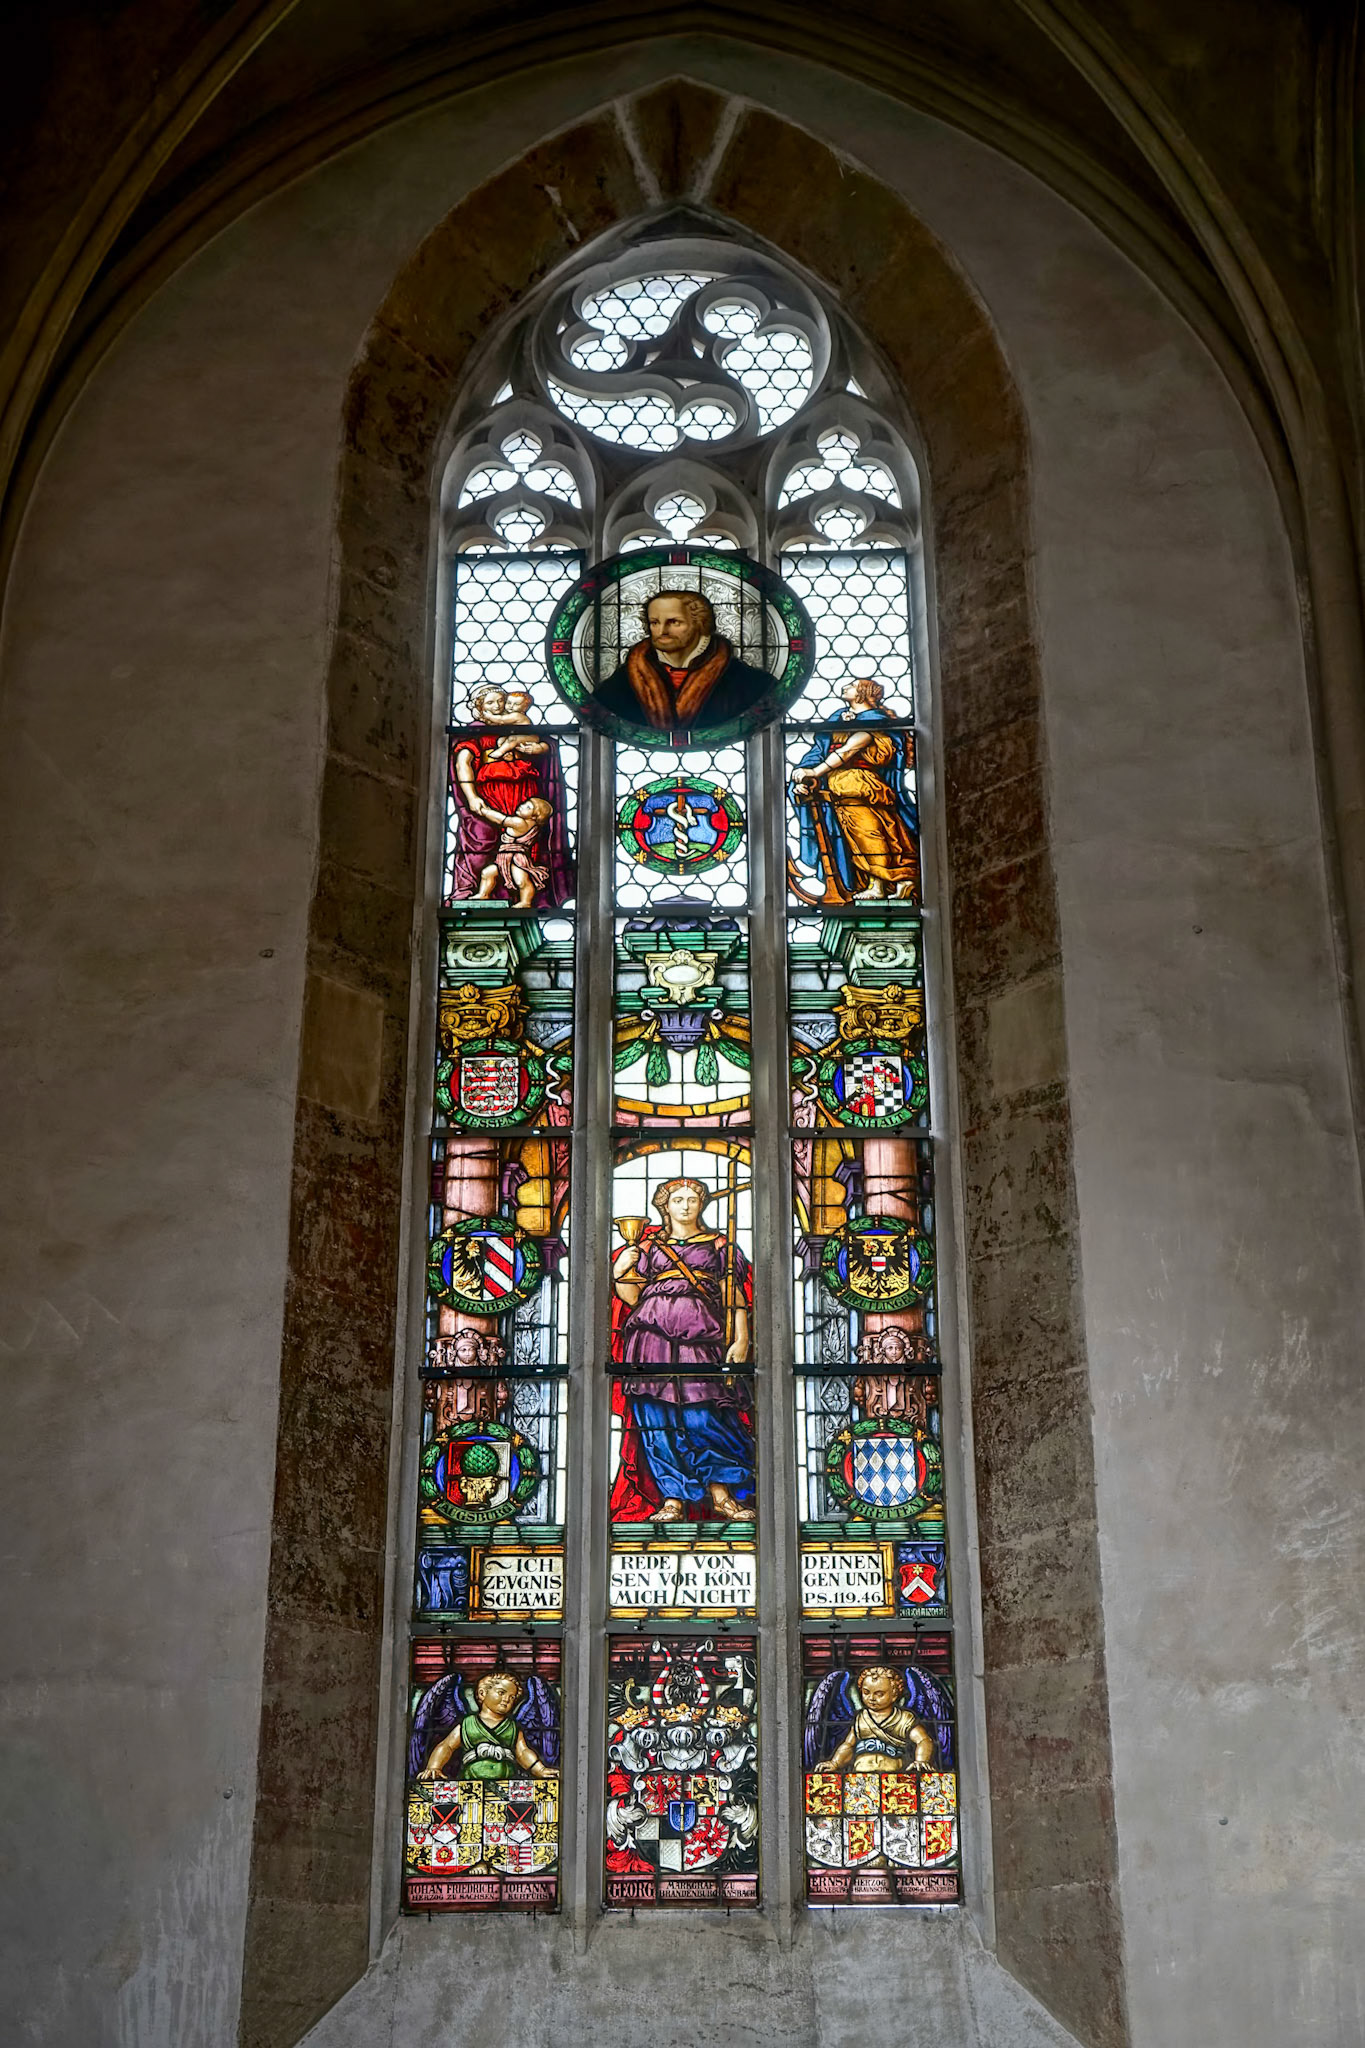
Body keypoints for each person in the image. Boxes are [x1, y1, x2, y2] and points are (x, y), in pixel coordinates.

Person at [791, 677, 918, 902]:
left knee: (868, 834)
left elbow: (846, 751)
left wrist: (814, 772)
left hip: (857, 786)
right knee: (869, 833)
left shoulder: (873, 723)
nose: (844, 687)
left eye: (851, 685)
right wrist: (807, 780)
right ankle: (893, 881)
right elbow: (821, 751)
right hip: (841, 788)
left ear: (862, 693)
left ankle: (884, 883)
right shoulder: (840, 719)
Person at [448, 685, 573, 904]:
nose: (497, 706)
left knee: (526, 840)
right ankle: (474, 891)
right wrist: (472, 796)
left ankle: (522, 896)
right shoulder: (474, 731)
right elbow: (463, 763)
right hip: (490, 792)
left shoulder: (517, 723)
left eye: (500, 701)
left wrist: (541, 748)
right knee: (482, 838)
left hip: (524, 791)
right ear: (480, 707)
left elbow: (543, 743)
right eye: (490, 702)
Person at [612, 1177, 750, 1368]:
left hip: (701, 1330)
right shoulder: (650, 1246)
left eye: (692, 1200)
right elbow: (634, 1298)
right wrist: (619, 1272)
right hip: (651, 1332)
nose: (685, 1206)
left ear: (701, 1205)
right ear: (666, 1206)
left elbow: (732, 1294)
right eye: (678, 1200)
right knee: (653, 1384)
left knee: (700, 1384)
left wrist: (742, 1338)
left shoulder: (718, 1245)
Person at [594, 589, 774, 733]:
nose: (662, 631)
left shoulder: (745, 682)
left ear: (700, 623)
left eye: (674, 622)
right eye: (654, 622)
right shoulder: (623, 681)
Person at [418, 1671, 555, 1782]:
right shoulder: (467, 1724)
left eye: (512, 1697)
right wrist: (434, 1767)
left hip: (506, 1783)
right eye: (501, 1693)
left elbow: (523, 1752)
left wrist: (540, 1769)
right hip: (471, 1784)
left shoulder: (512, 1727)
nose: (507, 1699)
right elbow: (447, 1746)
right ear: (482, 1693)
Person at [813, 1665, 935, 1775]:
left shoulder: (903, 1719)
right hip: (860, 1775)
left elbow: (923, 1740)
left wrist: (921, 1760)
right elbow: (848, 1745)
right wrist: (835, 1763)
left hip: (893, 1776)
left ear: (894, 1695)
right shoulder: (861, 1718)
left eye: (879, 1694)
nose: (871, 1698)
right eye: (866, 1692)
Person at [477, 794, 552, 906]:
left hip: (516, 858)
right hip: (504, 857)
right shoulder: (533, 826)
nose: (522, 806)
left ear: (534, 816)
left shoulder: (520, 822)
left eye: (528, 807)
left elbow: (500, 819)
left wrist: (484, 811)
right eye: (525, 803)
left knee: (521, 881)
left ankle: (526, 902)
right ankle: (483, 894)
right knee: (487, 873)